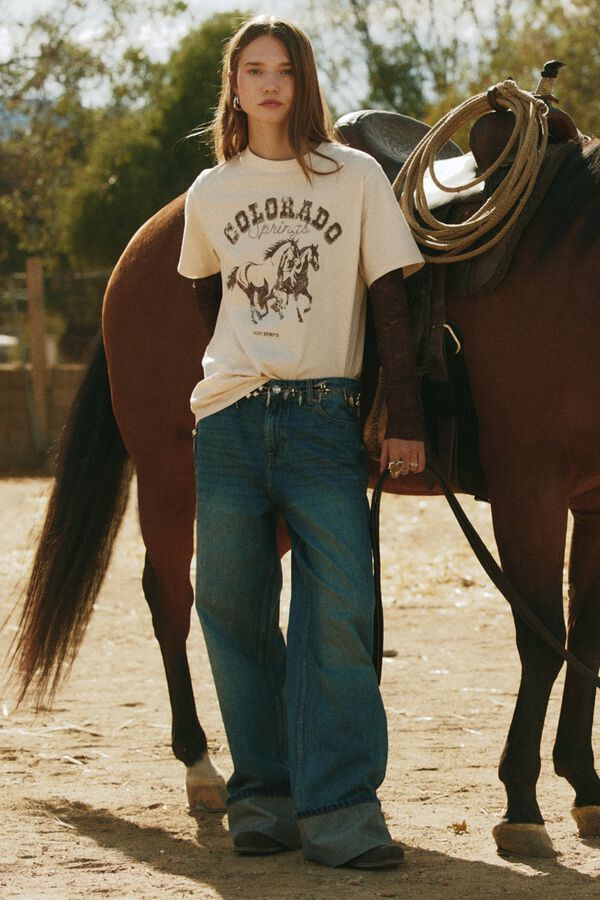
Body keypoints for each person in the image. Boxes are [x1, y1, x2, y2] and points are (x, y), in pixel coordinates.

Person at [178, 15, 426, 869]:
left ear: (304, 81)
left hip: (325, 417)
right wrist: (232, 381)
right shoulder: (213, 190)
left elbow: (389, 297)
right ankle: (265, 796)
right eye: (254, 69)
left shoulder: (354, 176)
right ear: (235, 85)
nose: (270, 83)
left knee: (340, 615)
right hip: (233, 423)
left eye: (284, 68)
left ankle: (343, 810)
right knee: (233, 611)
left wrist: (404, 418)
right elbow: (208, 300)